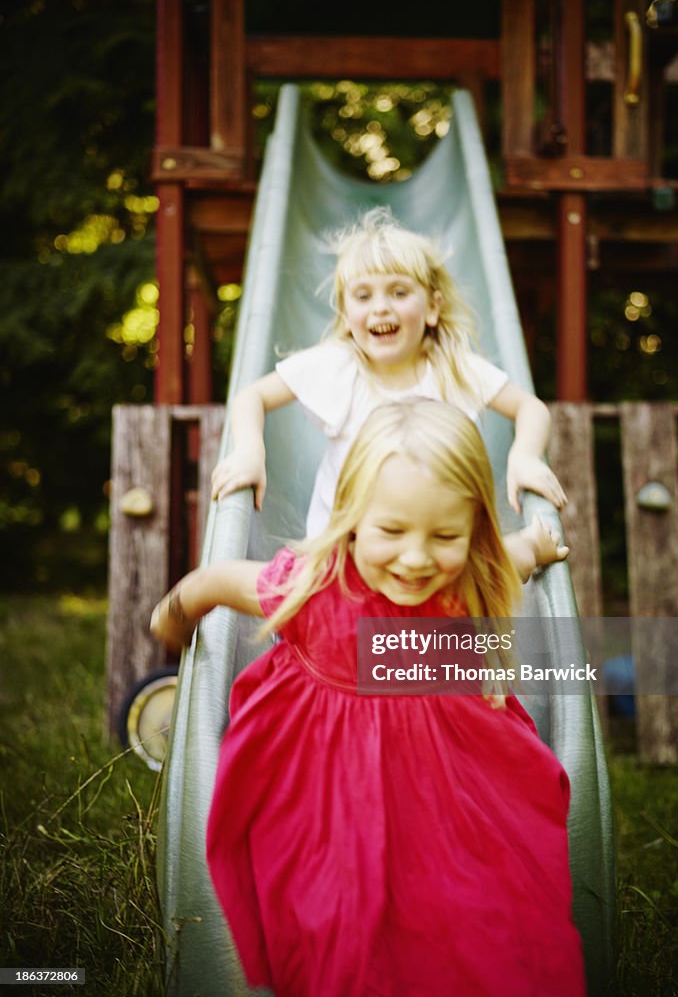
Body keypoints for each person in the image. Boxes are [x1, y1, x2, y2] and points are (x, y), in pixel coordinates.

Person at [152, 400, 583, 997]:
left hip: (447, 771)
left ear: (472, 530)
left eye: (445, 535)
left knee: (484, 909)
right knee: (346, 923)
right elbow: (214, 581)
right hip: (334, 778)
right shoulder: (314, 582)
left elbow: (512, 557)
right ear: (353, 517)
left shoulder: (469, 573)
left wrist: (538, 541)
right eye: (391, 531)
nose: (415, 557)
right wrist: (170, 621)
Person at [211, 207, 567, 536]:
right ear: (347, 314)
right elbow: (251, 397)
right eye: (363, 297)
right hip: (345, 551)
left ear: (432, 307)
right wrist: (249, 451)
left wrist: (524, 456)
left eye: (398, 292)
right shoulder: (336, 366)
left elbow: (530, 408)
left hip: (436, 549)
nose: (380, 308)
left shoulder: (453, 370)